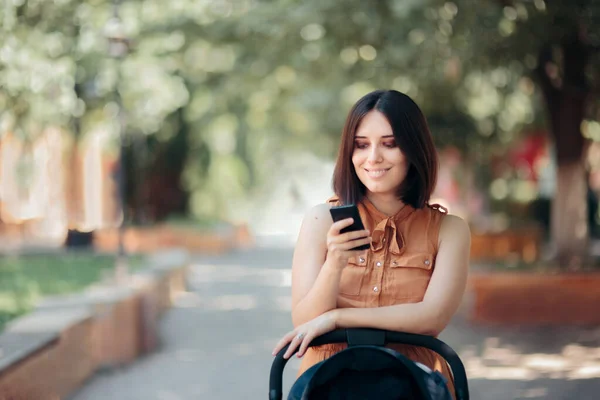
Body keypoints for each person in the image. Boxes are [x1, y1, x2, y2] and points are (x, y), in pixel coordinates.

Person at [271, 89, 471, 396]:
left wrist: (338, 318)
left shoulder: (450, 230)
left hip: (413, 384)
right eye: (361, 145)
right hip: (328, 383)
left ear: (413, 149)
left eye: (389, 144)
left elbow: (431, 318)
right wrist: (335, 263)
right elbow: (305, 321)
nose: (373, 157)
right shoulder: (321, 220)